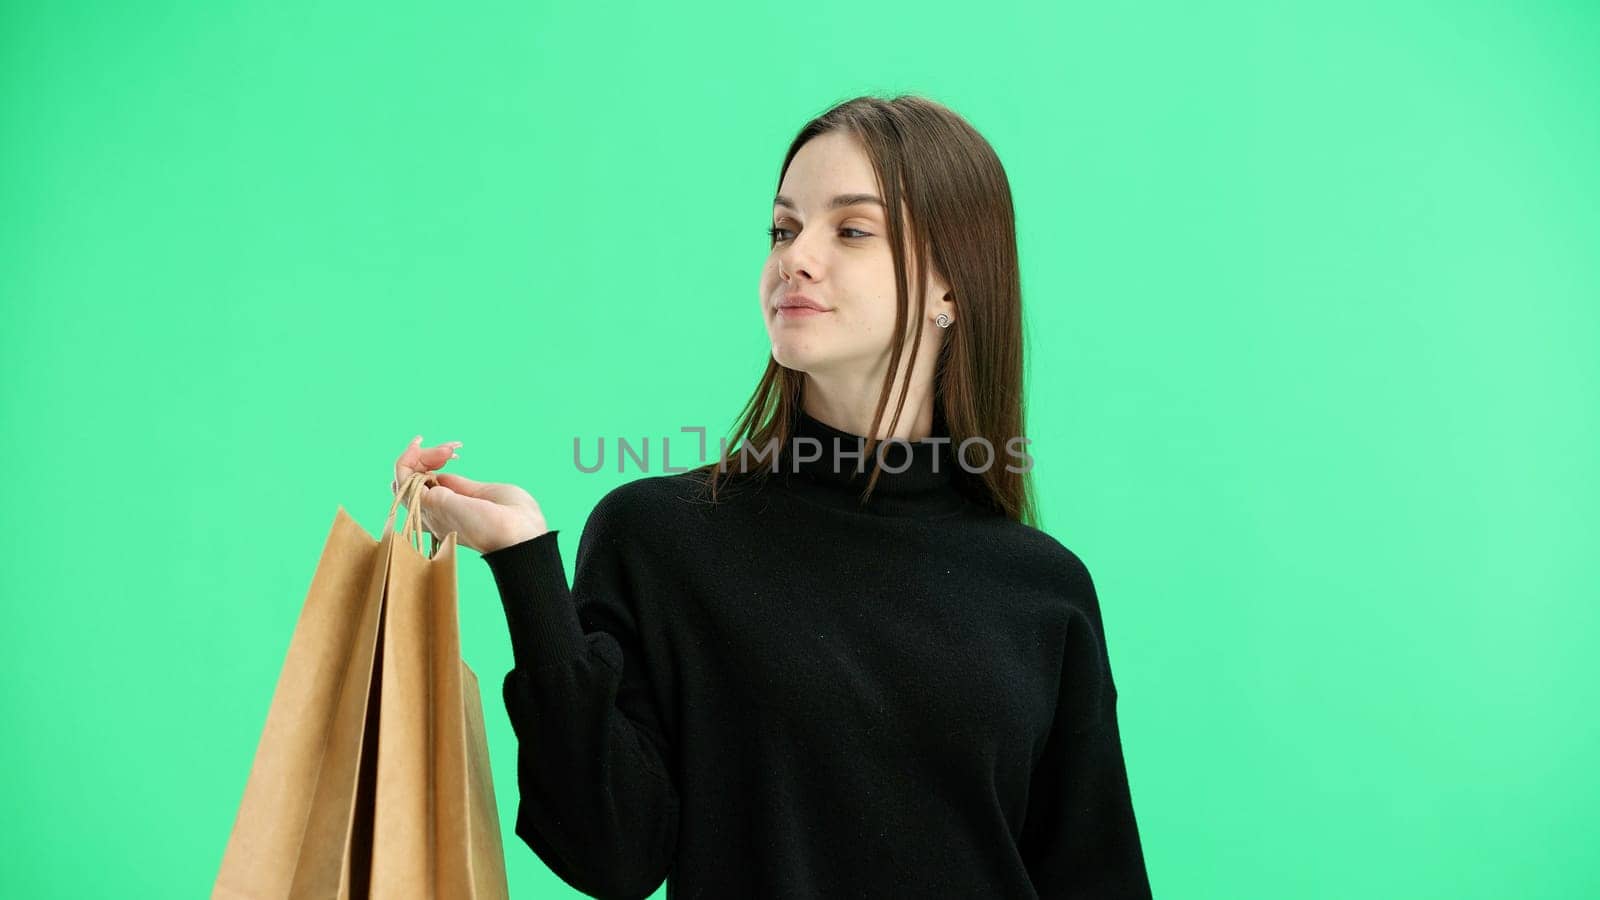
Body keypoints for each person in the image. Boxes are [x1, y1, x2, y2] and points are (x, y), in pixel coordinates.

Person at [392, 94, 1153, 899]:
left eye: (851, 230)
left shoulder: (1044, 589)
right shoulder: (660, 536)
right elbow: (609, 855)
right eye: (784, 230)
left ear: (951, 289)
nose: (795, 258)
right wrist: (524, 565)